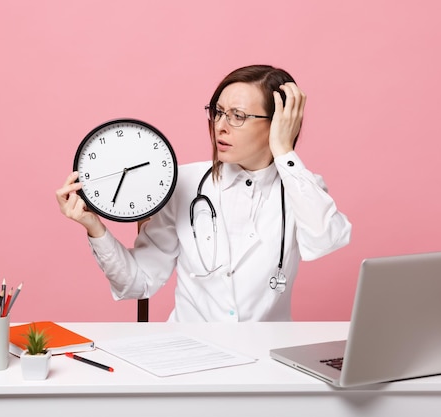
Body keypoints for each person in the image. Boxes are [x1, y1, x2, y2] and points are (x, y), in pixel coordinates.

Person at [56, 64, 351, 322]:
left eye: (238, 116)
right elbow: (138, 282)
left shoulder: (301, 187)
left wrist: (284, 150)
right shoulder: (183, 182)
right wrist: (95, 228)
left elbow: (324, 241)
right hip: (190, 353)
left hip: (265, 358)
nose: (220, 127)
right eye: (218, 112)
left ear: (277, 124)